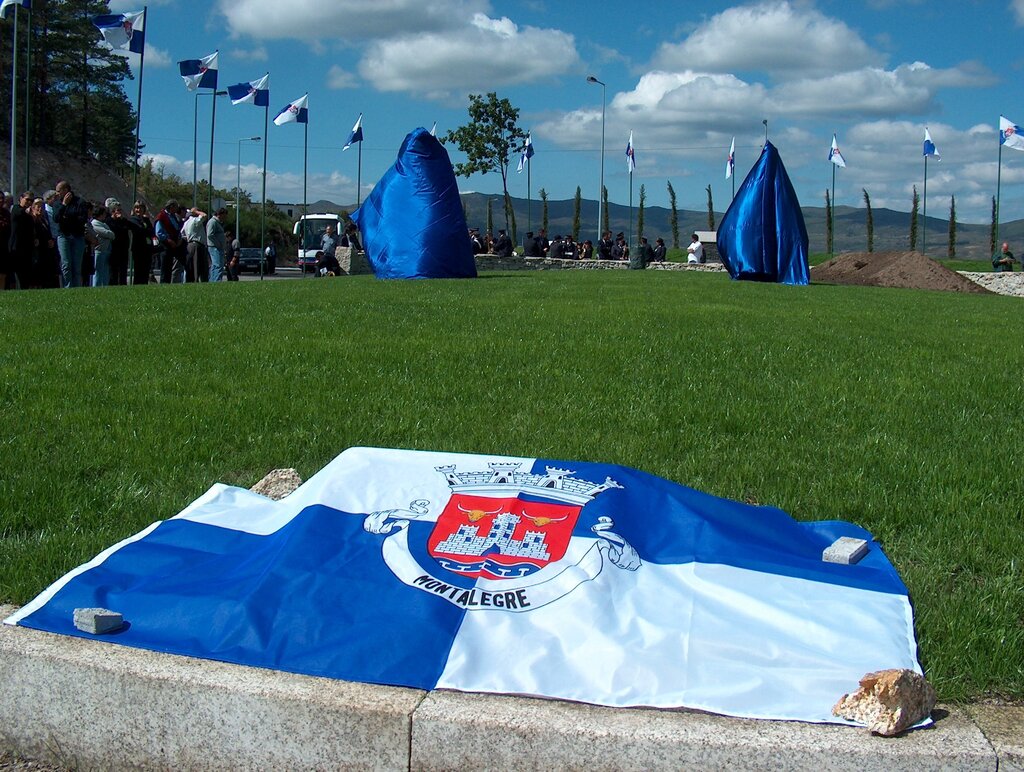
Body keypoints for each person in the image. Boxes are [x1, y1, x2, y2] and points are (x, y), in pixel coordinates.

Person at [54, 180, 90, 287]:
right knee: (66, 264)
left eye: (58, 191)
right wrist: (64, 205)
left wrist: (66, 218)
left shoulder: (80, 202)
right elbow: (56, 218)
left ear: (66, 190)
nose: (57, 193)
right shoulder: (58, 203)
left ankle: (77, 287)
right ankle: (67, 287)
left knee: (76, 265)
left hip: (77, 236)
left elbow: (82, 219)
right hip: (63, 236)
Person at [8, 191, 35, 289]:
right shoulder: (16, 209)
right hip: (16, 247)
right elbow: (20, 212)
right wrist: (27, 211)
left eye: (31, 201)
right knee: (15, 273)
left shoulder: (30, 216)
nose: (29, 202)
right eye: (27, 199)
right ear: (21, 198)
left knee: (26, 274)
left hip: (27, 247)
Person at [31, 197, 59, 288]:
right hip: (36, 252)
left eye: (42, 207)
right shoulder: (32, 220)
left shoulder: (44, 220)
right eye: (37, 207)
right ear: (32, 208)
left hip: (46, 251)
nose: (40, 209)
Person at [126, 201, 155, 284]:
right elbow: (139, 230)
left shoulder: (146, 220)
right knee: (139, 270)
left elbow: (151, 232)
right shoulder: (132, 220)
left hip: (147, 248)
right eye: (137, 208)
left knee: (146, 269)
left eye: (140, 208)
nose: (138, 210)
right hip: (138, 248)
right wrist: (145, 230)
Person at [154, 200, 184, 283]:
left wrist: (178, 239)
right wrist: (168, 240)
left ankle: (168, 282)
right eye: (176, 207)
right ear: (171, 207)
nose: (177, 209)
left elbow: (177, 229)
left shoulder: (173, 216)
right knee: (165, 267)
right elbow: (159, 232)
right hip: (165, 245)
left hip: (173, 245)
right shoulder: (162, 216)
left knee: (170, 267)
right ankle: (164, 283)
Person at [106, 199, 131, 286]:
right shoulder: (109, 221)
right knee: (113, 273)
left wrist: (122, 220)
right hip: (114, 249)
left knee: (123, 272)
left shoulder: (123, 221)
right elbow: (115, 232)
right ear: (113, 211)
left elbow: (128, 227)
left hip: (123, 250)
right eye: (118, 210)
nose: (120, 212)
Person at [182, 207, 209, 282]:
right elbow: (204, 215)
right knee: (198, 267)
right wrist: (197, 211)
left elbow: (182, 234)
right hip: (197, 245)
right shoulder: (195, 221)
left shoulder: (186, 223)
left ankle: (191, 281)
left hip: (190, 244)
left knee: (192, 266)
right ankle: (196, 281)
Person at [90, 205, 115, 286]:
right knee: (98, 271)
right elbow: (108, 233)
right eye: (104, 213)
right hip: (99, 251)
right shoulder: (95, 223)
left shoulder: (103, 224)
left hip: (106, 250)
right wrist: (110, 234)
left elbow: (112, 234)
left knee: (105, 271)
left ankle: (104, 286)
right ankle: (96, 286)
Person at [207, 208, 228, 282]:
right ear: (220, 214)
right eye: (224, 216)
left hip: (217, 247)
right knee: (218, 265)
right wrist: (218, 244)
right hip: (215, 247)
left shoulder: (217, 222)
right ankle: (217, 281)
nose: (225, 218)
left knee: (215, 265)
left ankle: (213, 281)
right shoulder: (213, 222)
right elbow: (210, 234)